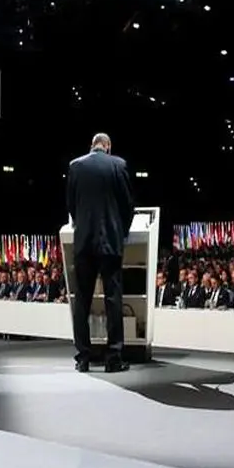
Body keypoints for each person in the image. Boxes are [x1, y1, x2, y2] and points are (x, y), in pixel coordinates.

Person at [66, 132, 133, 373]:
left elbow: (71, 205)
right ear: (108, 147)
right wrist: (121, 232)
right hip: (110, 243)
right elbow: (127, 205)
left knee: (82, 299)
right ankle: (113, 358)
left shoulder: (75, 166)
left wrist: (82, 226)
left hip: (84, 242)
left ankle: (83, 358)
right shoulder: (118, 165)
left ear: (92, 145)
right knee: (113, 299)